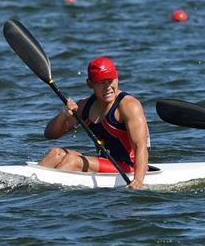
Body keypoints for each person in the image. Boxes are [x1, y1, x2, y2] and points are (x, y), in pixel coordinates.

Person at [39, 56, 150, 189]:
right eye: (101, 82)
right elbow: (50, 134)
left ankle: (47, 193)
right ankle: (32, 185)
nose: (108, 87)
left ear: (117, 78)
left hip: (129, 167)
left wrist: (138, 180)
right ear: (90, 83)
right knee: (55, 153)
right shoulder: (85, 106)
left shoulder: (129, 106)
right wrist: (63, 115)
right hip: (105, 161)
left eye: (111, 81)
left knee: (73, 161)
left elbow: (140, 146)